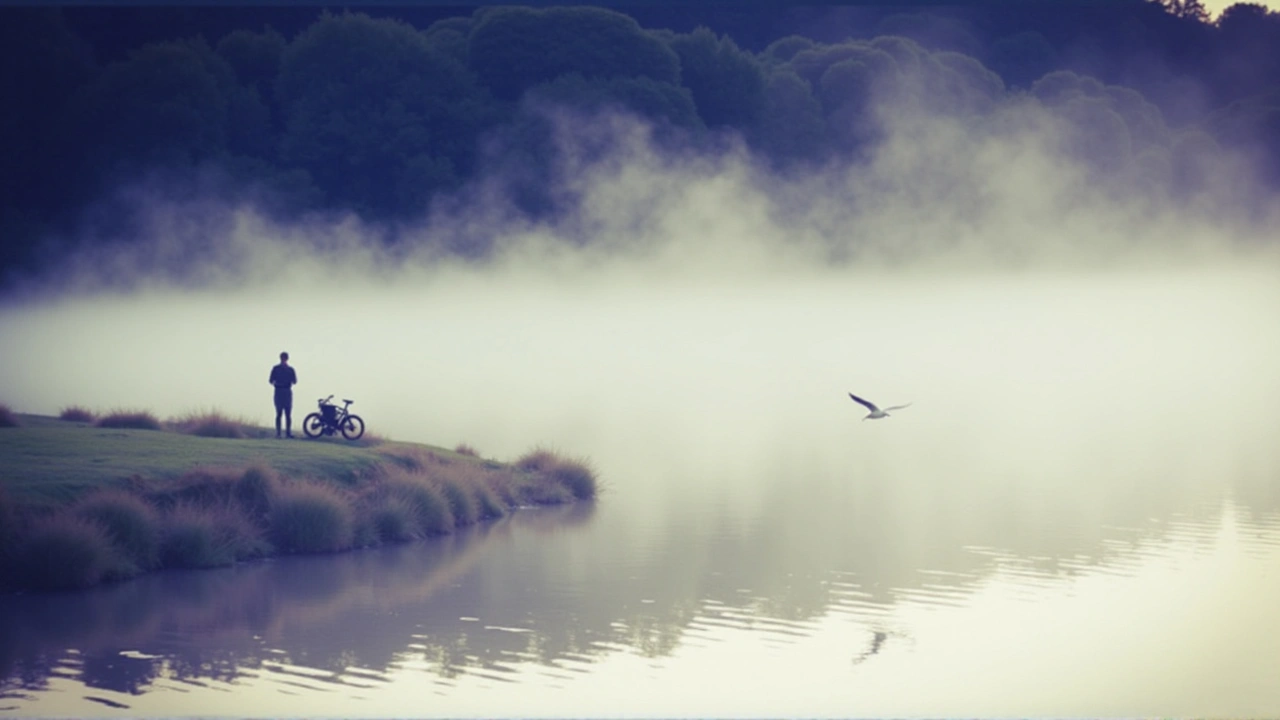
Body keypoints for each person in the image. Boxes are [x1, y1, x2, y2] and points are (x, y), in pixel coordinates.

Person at [269, 351, 298, 438]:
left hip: (286, 391)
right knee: (279, 413)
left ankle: (287, 433)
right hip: (279, 391)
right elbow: (270, 380)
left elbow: (295, 381)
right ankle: (279, 433)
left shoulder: (290, 369)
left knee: (288, 414)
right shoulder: (276, 368)